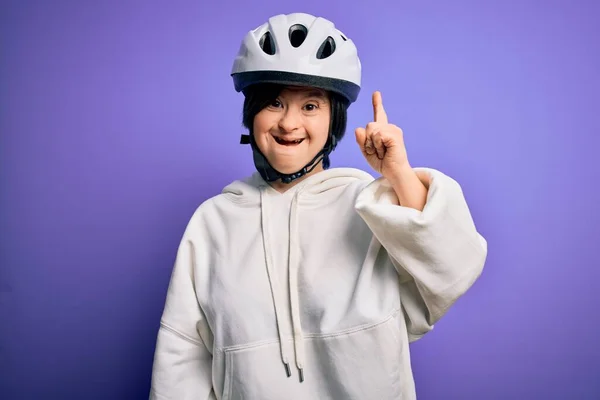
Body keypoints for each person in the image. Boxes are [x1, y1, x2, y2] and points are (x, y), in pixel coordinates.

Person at [149, 12, 487, 400]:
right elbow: (181, 359)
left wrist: (399, 175)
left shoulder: (369, 205)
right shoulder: (213, 223)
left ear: (334, 121)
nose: (289, 123)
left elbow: (451, 269)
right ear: (252, 113)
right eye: (274, 103)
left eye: (310, 106)